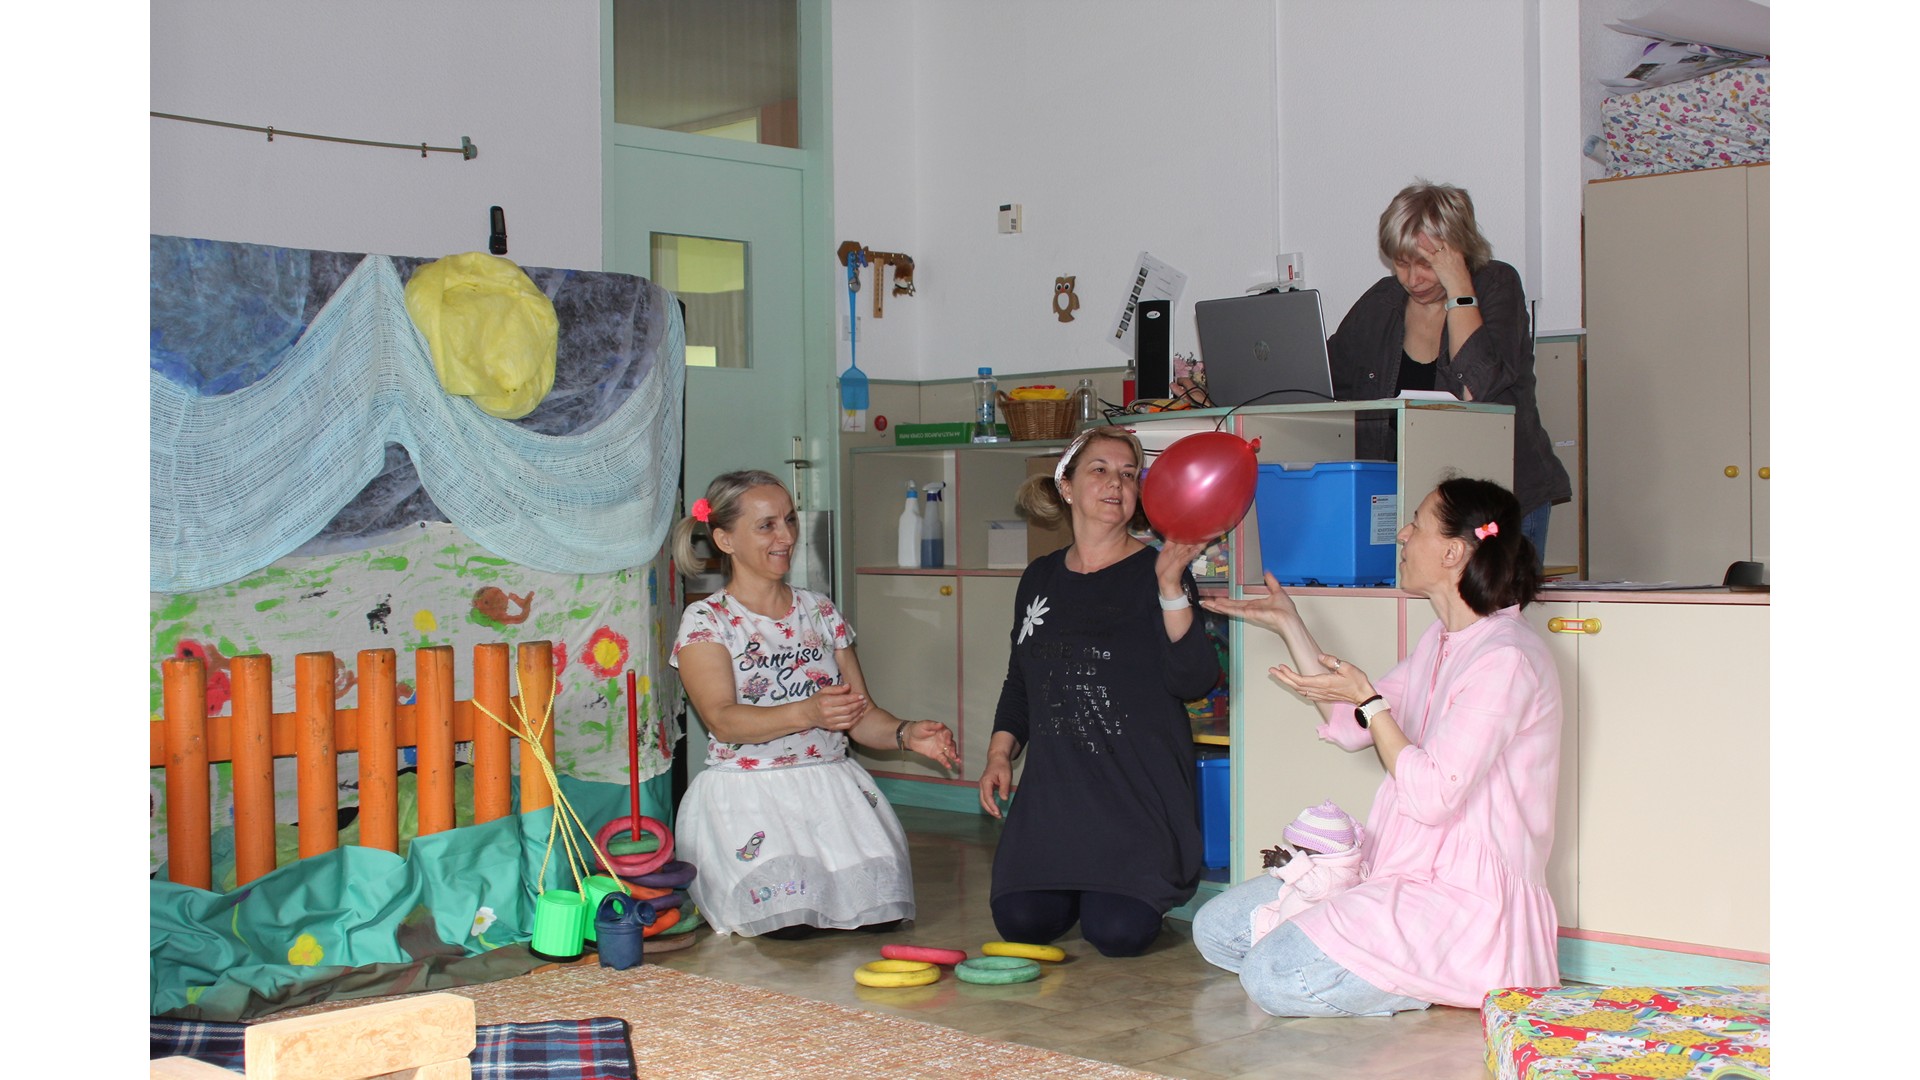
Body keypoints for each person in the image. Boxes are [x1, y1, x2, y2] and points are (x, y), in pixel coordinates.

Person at [1192, 476, 1562, 1015]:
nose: (1402, 536)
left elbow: (1431, 795)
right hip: (1391, 865)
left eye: (1416, 524)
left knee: (1270, 976)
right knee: (1216, 929)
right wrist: (1291, 626)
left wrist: (1370, 700)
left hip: (1459, 897)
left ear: (1453, 552)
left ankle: (1454, 976)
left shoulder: (1506, 658)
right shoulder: (1442, 639)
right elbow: (1352, 726)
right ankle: (1375, 957)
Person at [668, 470, 961, 938]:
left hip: (831, 795)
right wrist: (807, 712)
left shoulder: (820, 610)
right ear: (725, 539)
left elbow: (859, 716)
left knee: (882, 912)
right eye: (766, 526)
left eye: (789, 520)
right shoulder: (707, 620)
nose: (786, 537)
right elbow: (723, 721)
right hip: (750, 797)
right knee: (790, 922)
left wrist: (906, 733)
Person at [977, 426, 1222, 957]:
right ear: (1066, 486)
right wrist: (999, 754)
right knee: (1021, 923)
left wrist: (1170, 587)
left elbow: (1195, 681)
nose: (1117, 483)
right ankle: (1076, 881)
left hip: (1136, 795)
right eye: (1101, 470)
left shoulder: (1159, 571)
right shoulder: (1039, 577)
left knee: (1117, 933)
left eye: (1129, 475)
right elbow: (1021, 679)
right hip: (1056, 797)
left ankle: (1113, 887)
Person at [1327, 180, 1571, 562]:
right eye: (1401, 263)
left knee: (1488, 603)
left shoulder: (1497, 285)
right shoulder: (1381, 302)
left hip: (1496, 502)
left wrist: (1459, 288)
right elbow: (1324, 382)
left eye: (1426, 263)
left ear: (1458, 251)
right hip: (1409, 504)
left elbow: (1478, 388)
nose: (1412, 279)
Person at [1249, 800, 1365, 947]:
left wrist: (1288, 864)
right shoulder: (1322, 860)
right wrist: (1277, 863)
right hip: (1288, 922)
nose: (1298, 852)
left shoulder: (1339, 876)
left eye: (1302, 848)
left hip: (1304, 937)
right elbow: (1299, 865)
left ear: (1324, 848)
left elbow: (1314, 886)